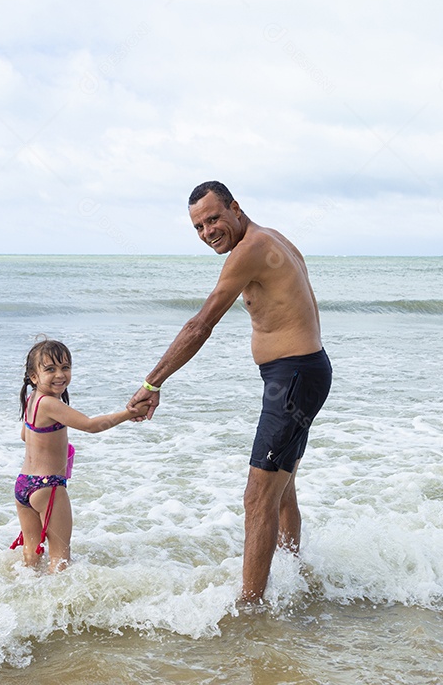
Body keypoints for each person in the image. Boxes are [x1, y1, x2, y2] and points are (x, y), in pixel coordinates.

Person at [127, 181, 332, 603]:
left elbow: (200, 325)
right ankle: (293, 577)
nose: (207, 232)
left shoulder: (250, 249)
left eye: (214, 218)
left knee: (257, 498)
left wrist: (152, 382)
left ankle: (250, 609)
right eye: (199, 227)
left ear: (235, 208)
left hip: (293, 379)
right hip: (302, 373)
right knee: (281, 486)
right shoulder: (273, 238)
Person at [13, 337, 147, 571]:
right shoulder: (49, 403)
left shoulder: (31, 399)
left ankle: (26, 592)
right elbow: (91, 425)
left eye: (65, 367)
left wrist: (50, 443)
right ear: (34, 376)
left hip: (24, 485)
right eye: (50, 369)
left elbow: (25, 435)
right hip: (48, 486)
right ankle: (58, 605)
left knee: (32, 553)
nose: (60, 374)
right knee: (60, 557)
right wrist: (128, 414)